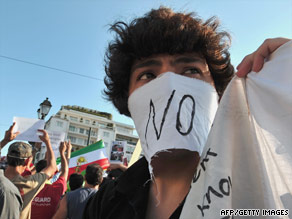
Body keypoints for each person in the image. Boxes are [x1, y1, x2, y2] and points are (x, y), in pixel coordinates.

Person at [83, 7, 290, 219]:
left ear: (218, 95)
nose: (168, 85)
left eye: (191, 70)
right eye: (147, 74)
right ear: (128, 100)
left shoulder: (258, 197)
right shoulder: (104, 203)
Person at [4, 127, 57, 219]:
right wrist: (48, 142)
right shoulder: (29, 184)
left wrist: (4, 141)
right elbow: (52, 167)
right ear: (28, 161)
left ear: (7, 157)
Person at [31, 141, 71, 219]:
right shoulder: (56, 188)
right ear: (52, 174)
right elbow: (65, 171)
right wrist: (64, 152)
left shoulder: (27, 185)